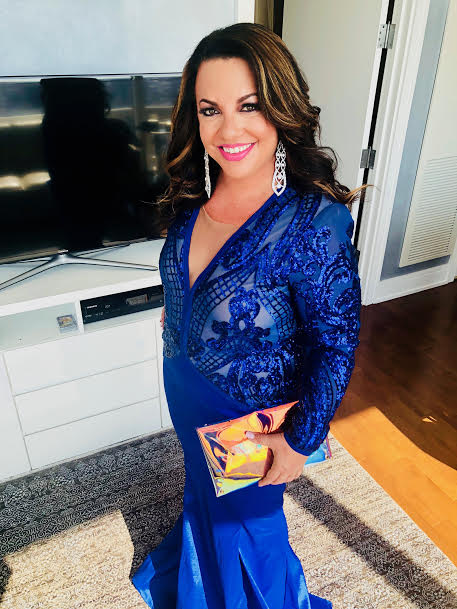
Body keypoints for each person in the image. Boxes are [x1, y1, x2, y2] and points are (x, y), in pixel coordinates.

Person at [131, 22, 365, 609]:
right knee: (205, 498)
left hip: (251, 421)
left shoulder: (313, 223)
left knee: (251, 529)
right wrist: (179, 316)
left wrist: (301, 439)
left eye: (249, 105)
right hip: (187, 391)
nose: (228, 130)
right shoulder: (193, 198)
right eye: (210, 110)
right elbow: (189, 284)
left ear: (281, 109)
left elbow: (336, 345)